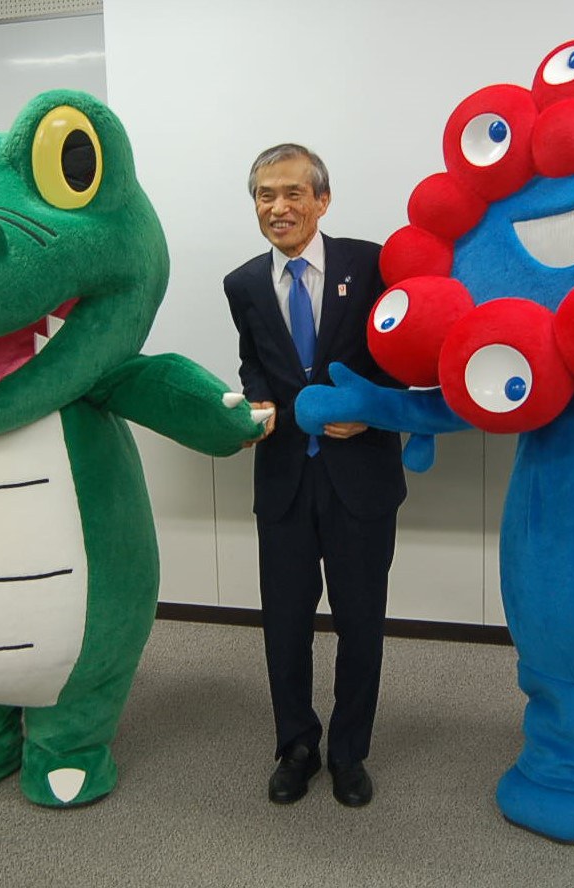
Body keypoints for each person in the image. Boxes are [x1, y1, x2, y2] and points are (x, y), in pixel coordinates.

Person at [223, 144, 406, 808]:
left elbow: (399, 357)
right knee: (285, 624)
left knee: (360, 623)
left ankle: (349, 752)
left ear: (322, 200)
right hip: (283, 483)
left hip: (361, 479)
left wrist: (371, 410)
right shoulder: (243, 284)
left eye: (292, 193)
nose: (278, 207)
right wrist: (256, 401)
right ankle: (296, 746)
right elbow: (254, 362)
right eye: (265, 195)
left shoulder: (372, 265)